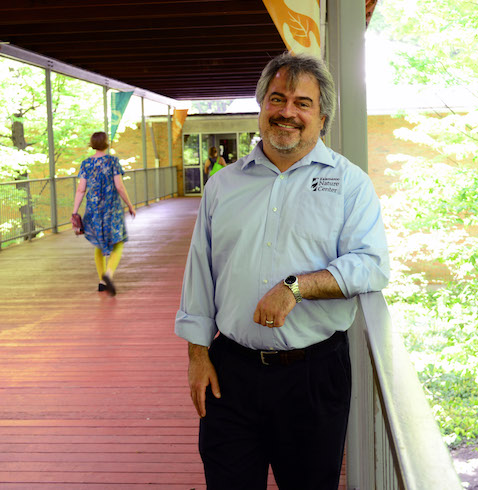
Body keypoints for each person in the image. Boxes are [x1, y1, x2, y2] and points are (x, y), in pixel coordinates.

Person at [174, 52, 390, 489]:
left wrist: (296, 287)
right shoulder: (223, 185)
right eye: (277, 99)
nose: (287, 112)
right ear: (262, 107)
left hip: (312, 376)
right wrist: (198, 356)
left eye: (302, 103)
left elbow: (371, 264)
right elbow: (200, 272)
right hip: (229, 374)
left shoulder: (349, 184)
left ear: (322, 117)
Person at [72, 131, 136, 296]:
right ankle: (108, 274)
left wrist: (74, 212)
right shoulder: (112, 161)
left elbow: (81, 189)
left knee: (98, 243)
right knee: (118, 242)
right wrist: (130, 205)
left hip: (93, 210)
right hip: (111, 208)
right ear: (106, 143)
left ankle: (101, 281)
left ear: (92, 144)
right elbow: (119, 186)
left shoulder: (86, 164)